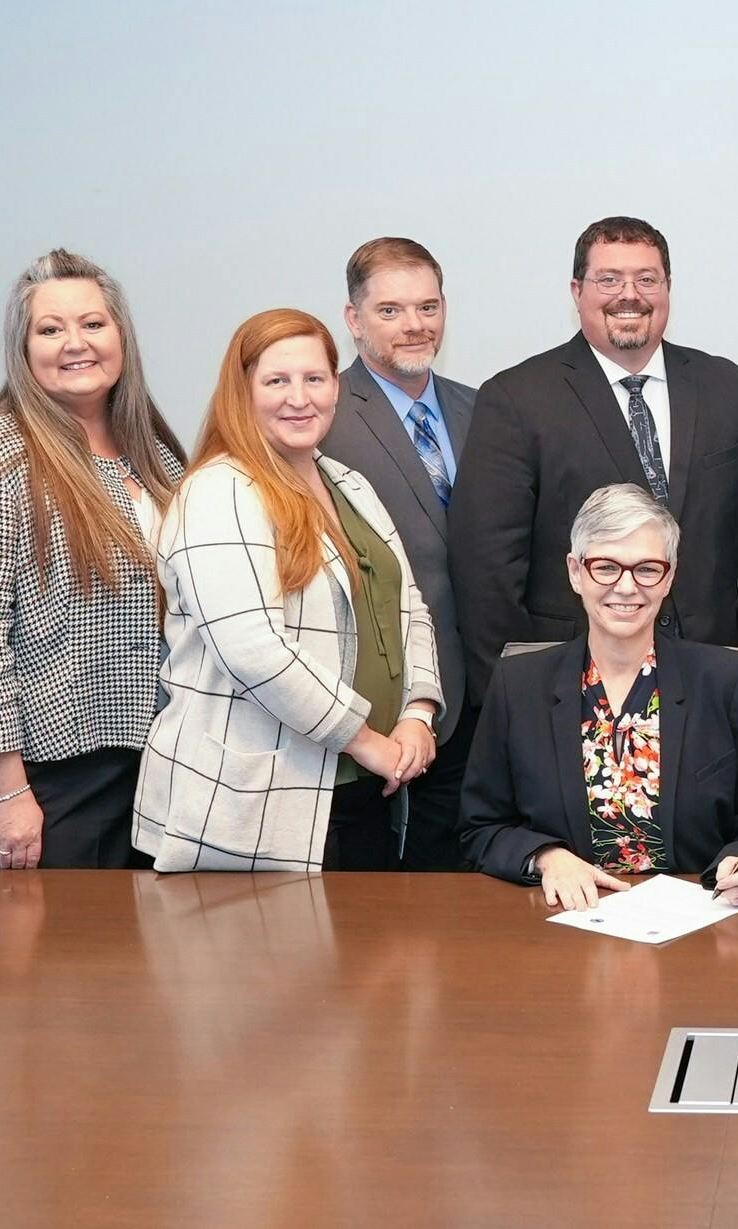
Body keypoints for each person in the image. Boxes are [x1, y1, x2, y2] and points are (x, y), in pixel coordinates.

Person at [133, 309, 443, 871]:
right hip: (258, 801)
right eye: (276, 381)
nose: (298, 397)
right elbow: (254, 651)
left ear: (336, 386)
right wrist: (368, 741)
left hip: (366, 789)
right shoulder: (219, 493)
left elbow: (408, 607)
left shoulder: (349, 484)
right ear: (242, 391)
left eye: (314, 379)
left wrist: (418, 713)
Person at [0, 249, 187, 869]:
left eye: (93, 324)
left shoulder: (159, 458)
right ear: (23, 346)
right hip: (48, 771)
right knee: (62, 959)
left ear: (121, 337)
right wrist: (7, 792)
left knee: (145, 958)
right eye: (50, 328)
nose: (75, 343)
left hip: (157, 759)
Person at [449, 216, 738, 706]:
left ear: (667, 288)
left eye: (646, 279)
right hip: (572, 686)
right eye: (608, 279)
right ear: (577, 290)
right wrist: (517, 693)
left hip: (714, 676)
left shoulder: (727, 387)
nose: (628, 295)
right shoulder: (517, 398)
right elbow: (487, 570)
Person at [460, 485, 738, 908]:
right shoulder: (517, 684)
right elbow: (480, 827)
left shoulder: (726, 679)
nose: (626, 586)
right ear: (575, 572)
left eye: (647, 569)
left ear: (669, 577)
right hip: (563, 923)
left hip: (698, 923)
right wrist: (546, 857)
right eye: (606, 567)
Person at [319, 237, 479, 870]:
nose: (415, 325)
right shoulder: (320, 412)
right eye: (390, 310)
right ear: (353, 320)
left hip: (478, 694)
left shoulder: (482, 407)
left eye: (428, 306)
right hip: (374, 697)